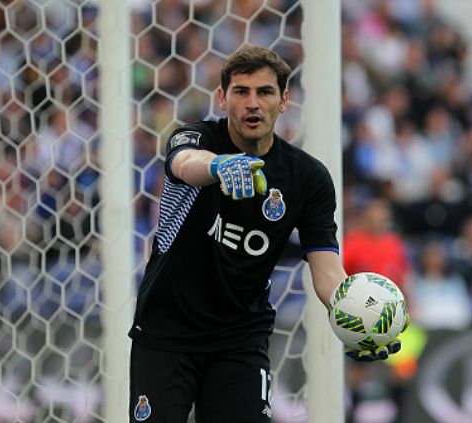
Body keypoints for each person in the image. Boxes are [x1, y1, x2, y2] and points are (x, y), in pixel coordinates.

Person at [128, 44, 402, 423]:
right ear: (223, 98)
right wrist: (219, 166)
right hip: (165, 330)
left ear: (285, 100)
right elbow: (186, 163)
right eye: (241, 92)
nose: (252, 103)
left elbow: (327, 272)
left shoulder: (308, 178)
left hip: (240, 337)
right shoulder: (195, 139)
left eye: (265, 92)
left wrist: (355, 314)